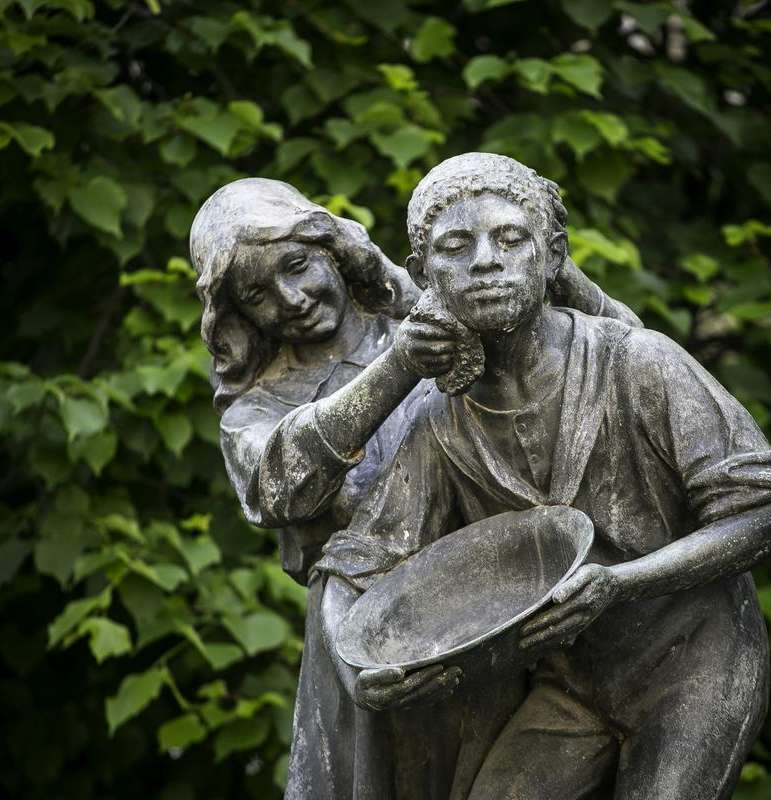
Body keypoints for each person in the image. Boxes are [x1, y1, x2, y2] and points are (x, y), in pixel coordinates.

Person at [314, 153, 771, 799]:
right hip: (571, 684)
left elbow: (761, 516)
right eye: (456, 247)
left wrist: (618, 584)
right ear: (423, 274)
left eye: (511, 238)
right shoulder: (439, 422)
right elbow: (356, 564)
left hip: (695, 665)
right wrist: (357, 671)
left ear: (553, 255)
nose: (486, 260)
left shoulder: (637, 361)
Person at [189, 176, 642, 799]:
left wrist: (551, 264)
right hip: (369, 632)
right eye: (257, 293)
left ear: (335, 252)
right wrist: (400, 366)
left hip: (501, 599)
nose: (291, 298)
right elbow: (282, 485)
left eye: (299, 265)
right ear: (236, 314)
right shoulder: (256, 410)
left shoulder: (432, 301)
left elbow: (627, 352)